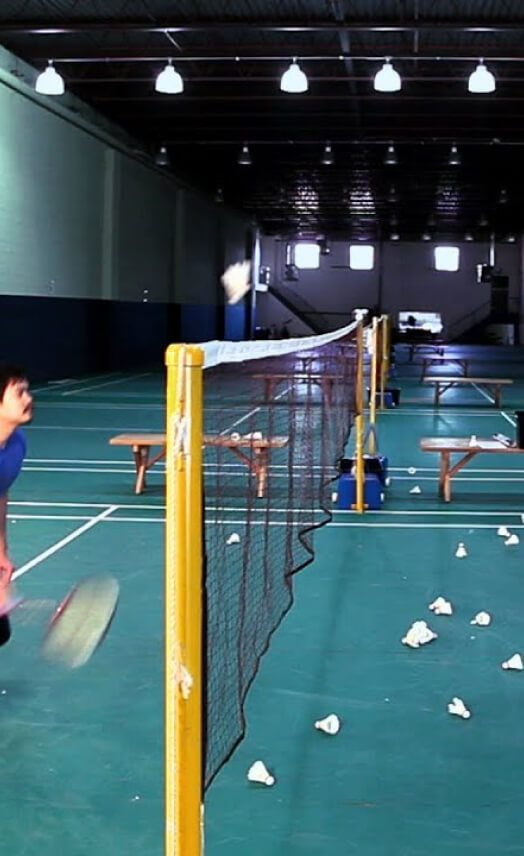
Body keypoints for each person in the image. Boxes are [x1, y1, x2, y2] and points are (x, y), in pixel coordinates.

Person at [0, 363, 33, 646]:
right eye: (19, 393)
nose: (29, 398)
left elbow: (0, 494)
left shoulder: (16, 443)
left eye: (28, 391)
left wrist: (1, 551)